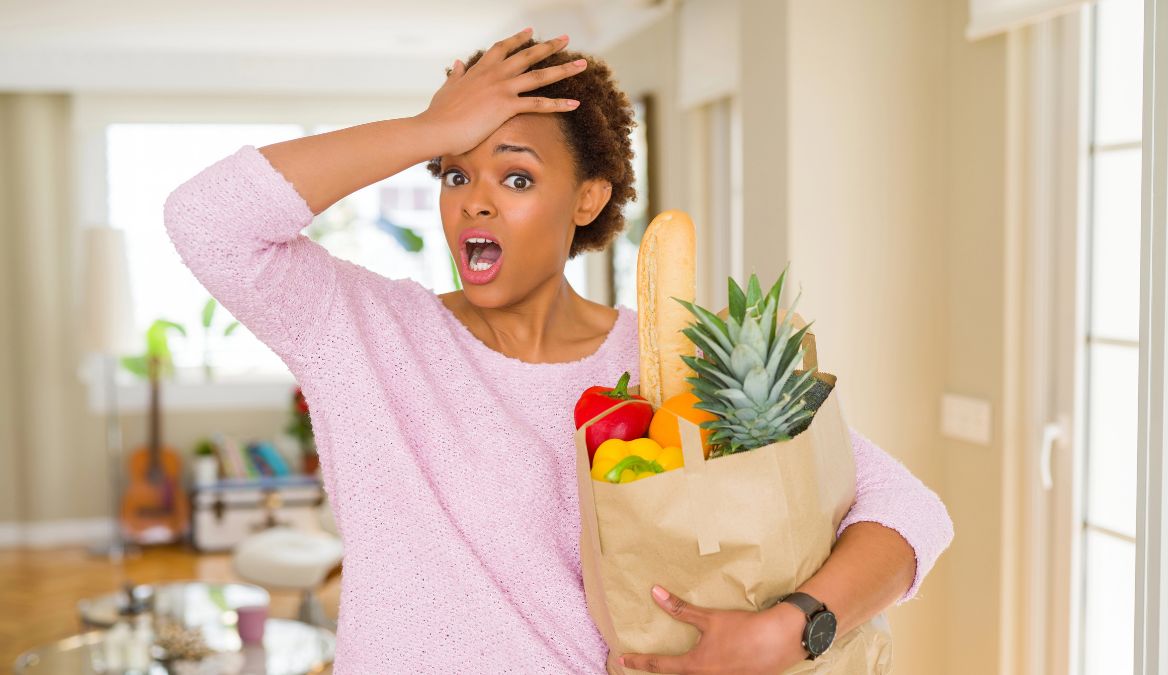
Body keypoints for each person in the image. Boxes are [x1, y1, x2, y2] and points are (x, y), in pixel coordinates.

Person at [164, 27, 954, 674]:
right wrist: (428, 129)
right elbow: (206, 220)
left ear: (588, 197)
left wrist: (791, 628)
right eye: (453, 172)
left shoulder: (668, 362)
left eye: (515, 177)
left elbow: (909, 509)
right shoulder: (362, 332)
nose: (473, 197)